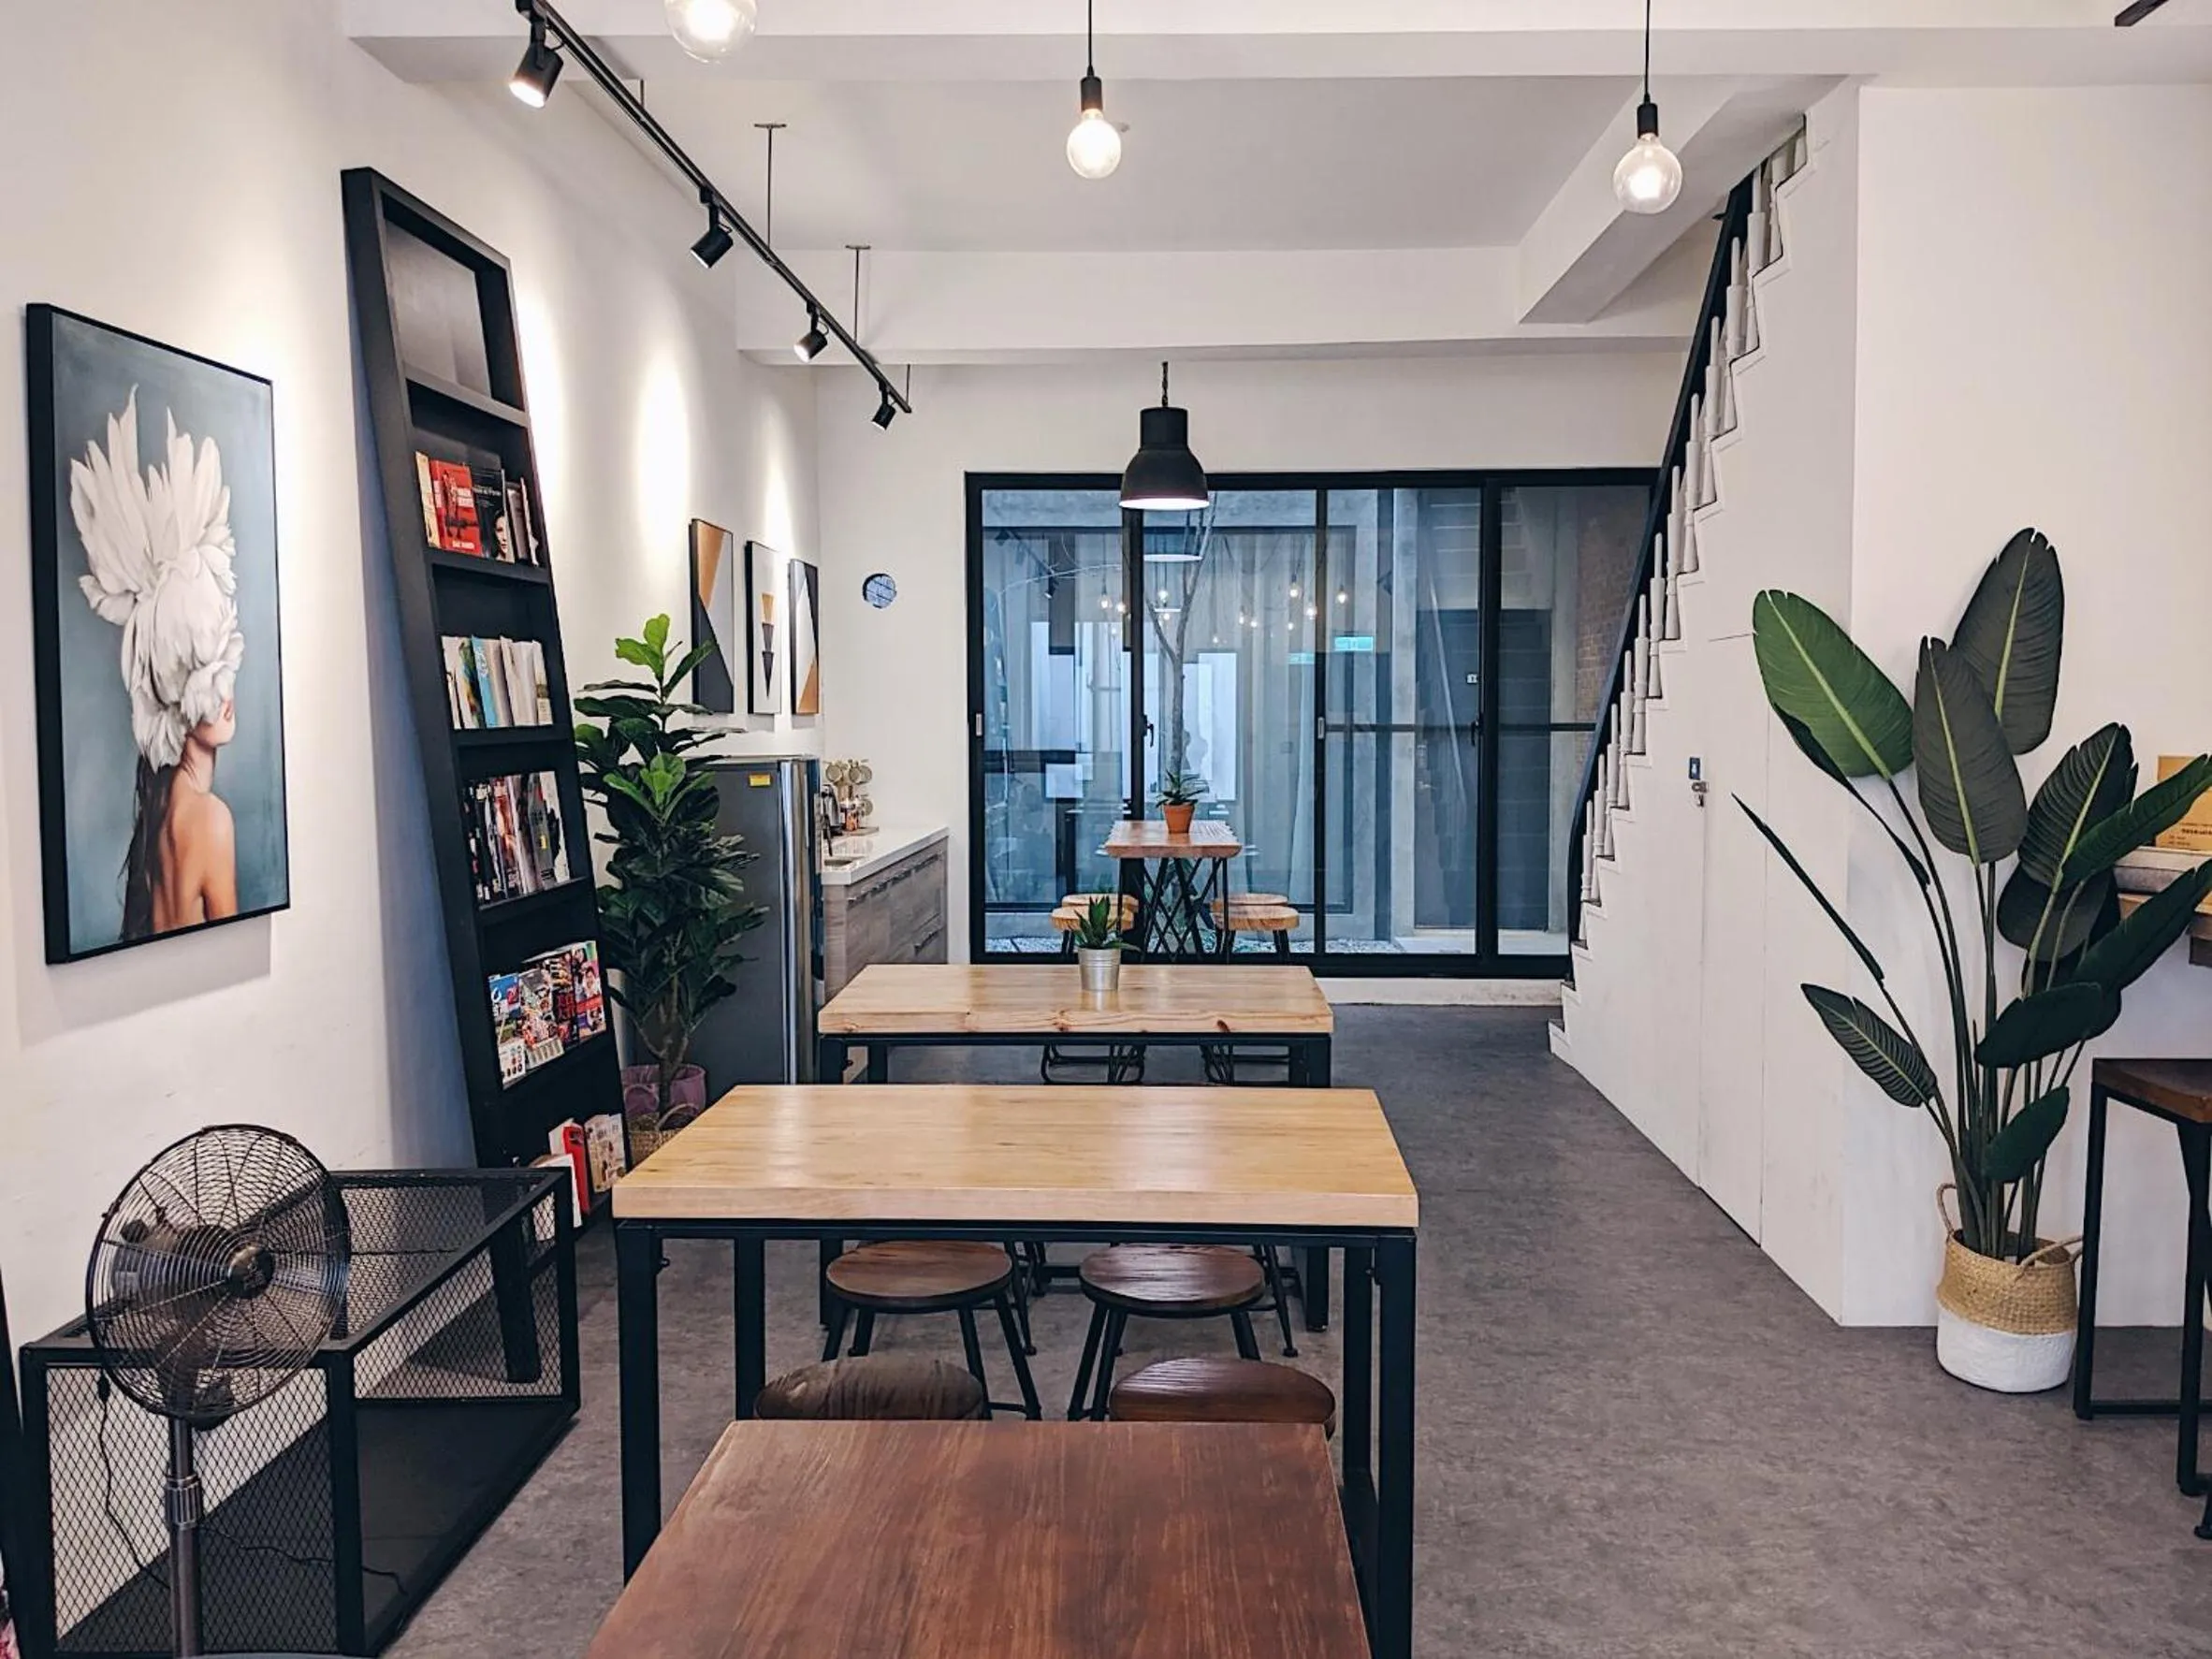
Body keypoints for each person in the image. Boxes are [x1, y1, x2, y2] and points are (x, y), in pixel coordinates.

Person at [72, 388, 247, 941]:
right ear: (171, 694)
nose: (224, 689)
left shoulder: (158, 816)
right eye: (201, 666)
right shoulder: (210, 818)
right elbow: (230, 950)